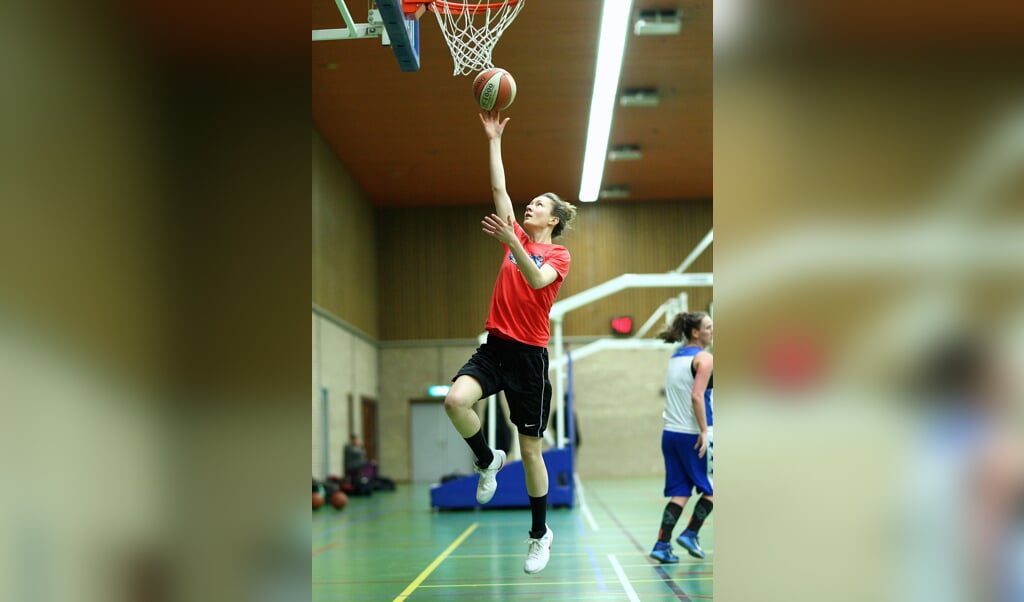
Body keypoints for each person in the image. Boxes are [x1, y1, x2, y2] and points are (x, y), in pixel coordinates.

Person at [443, 109, 577, 575]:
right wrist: (493, 138)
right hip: (496, 346)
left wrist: (514, 243)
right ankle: (486, 460)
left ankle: (540, 535)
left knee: (532, 450)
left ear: (554, 219)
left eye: (539, 204)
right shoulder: (515, 235)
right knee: (455, 401)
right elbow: (500, 190)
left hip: (530, 360)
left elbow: (539, 280)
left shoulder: (557, 252)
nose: (530, 207)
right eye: (531, 202)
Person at [649, 311, 714, 564]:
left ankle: (662, 544)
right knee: (715, 488)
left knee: (680, 492)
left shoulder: (676, 357)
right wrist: (704, 430)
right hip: (693, 435)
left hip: (671, 434)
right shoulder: (704, 358)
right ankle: (691, 533)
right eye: (708, 327)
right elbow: (697, 396)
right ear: (695, 332)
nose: (712, 330)